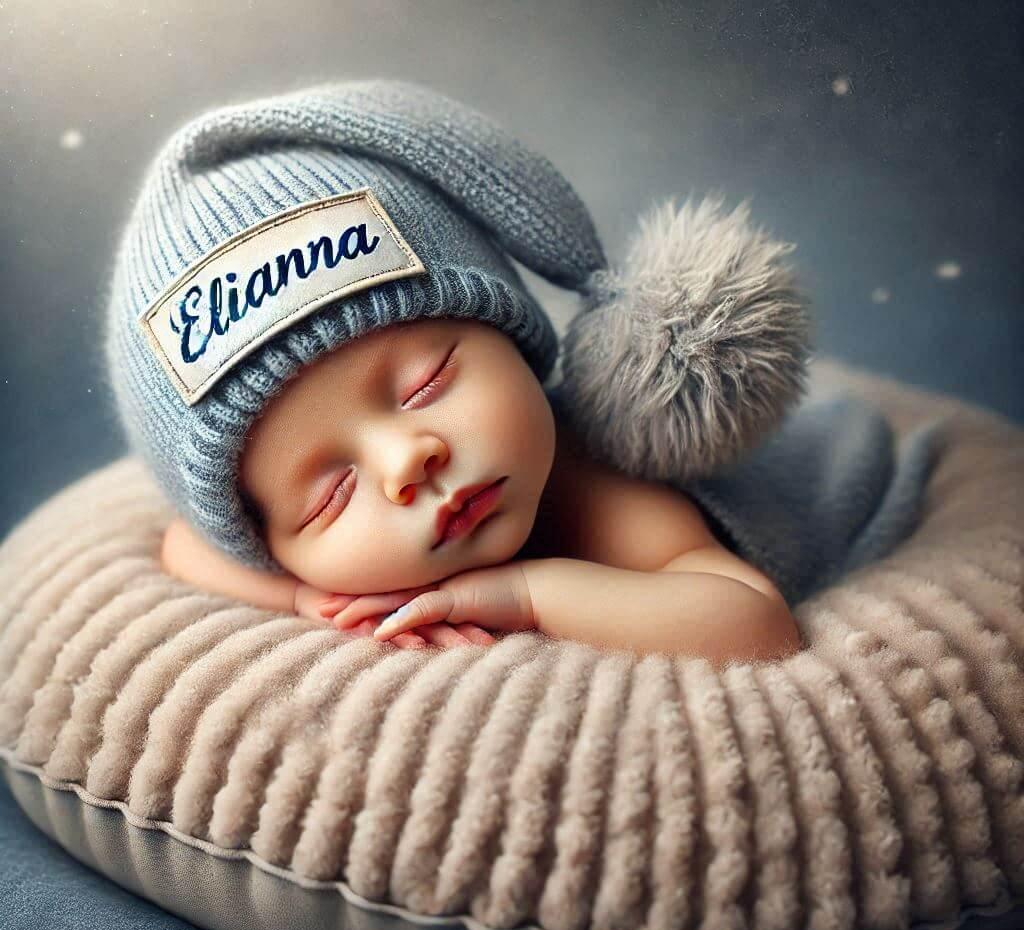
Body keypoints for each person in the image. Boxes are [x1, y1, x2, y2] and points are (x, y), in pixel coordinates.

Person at [107, 79, 806, 666]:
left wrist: (529, 595)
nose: (409, 459)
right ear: (268, 542)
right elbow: (185, 542)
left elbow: (753, 623)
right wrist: (298, 597)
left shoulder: (588, 484)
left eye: (426, 386)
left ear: (509, 336)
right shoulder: (286, 554)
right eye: (331, 495)